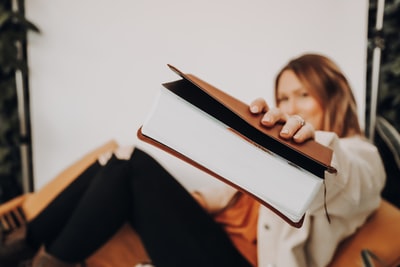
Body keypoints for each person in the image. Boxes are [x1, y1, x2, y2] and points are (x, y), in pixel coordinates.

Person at [0, 53, 386, 267]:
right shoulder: (275, 152)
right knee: (117, 162)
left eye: (303, 95)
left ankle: (28, 255)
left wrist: (313, 148)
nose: (290, 107)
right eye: (283, 98)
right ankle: (20, 247)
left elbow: (351, 185)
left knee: (131, 167)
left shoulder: (358, 154)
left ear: (333, 96)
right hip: (208, 236)